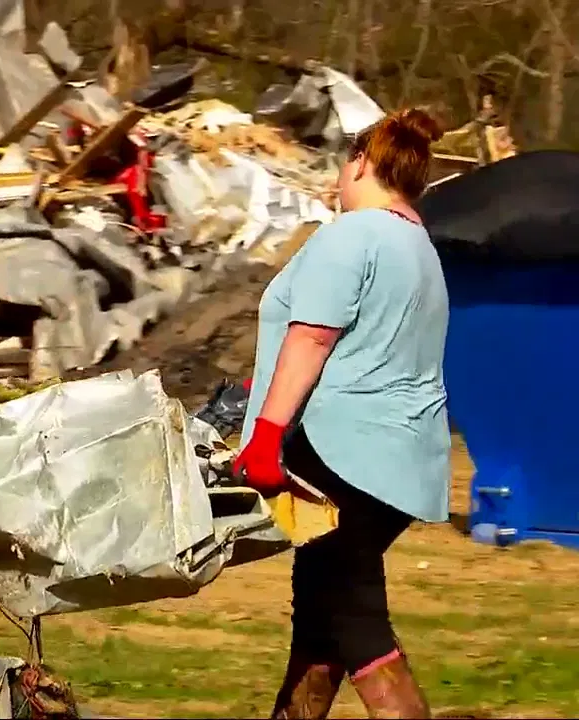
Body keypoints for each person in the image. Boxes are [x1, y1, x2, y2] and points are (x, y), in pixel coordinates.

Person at [231, 107, 450, 719]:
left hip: (344, 457)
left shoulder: (352, 232)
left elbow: (313, 336)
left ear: (360, 163)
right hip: (404, 460)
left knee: (357, 622)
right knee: (321, 612)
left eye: (342, 164)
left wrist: (267, 433)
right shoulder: (418, 245)